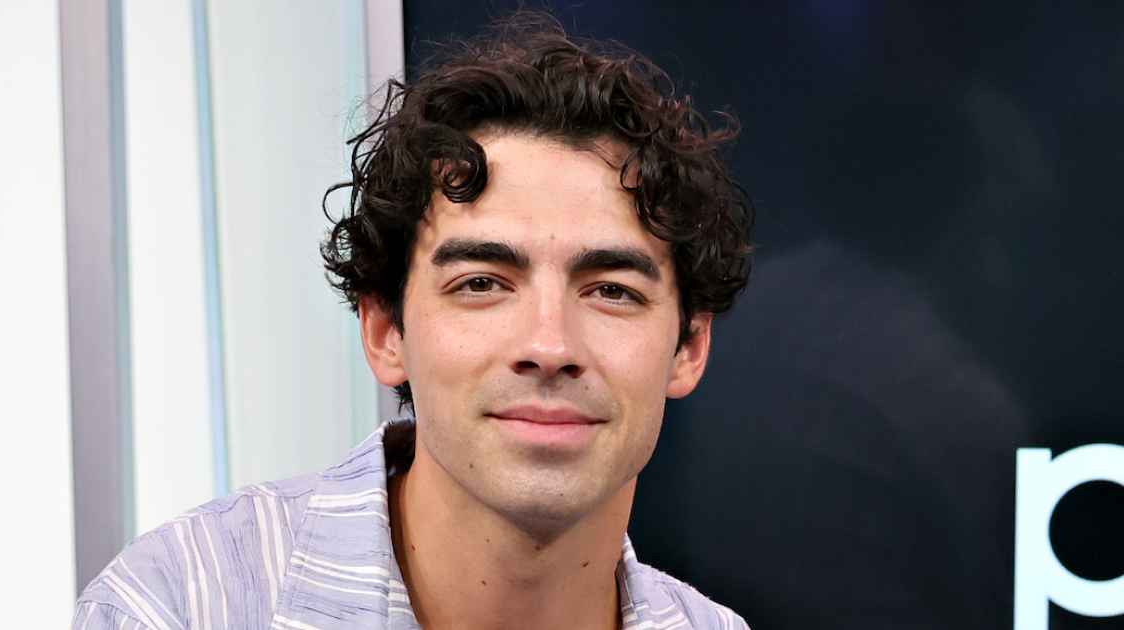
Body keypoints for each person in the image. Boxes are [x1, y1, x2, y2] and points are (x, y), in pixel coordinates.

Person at [73, 11, 754, 630]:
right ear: (384, 331)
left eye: (611, 291)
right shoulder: (181, 604)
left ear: (689, 346)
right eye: (481, 283)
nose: (549, 346)